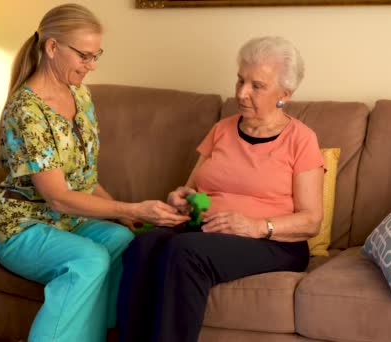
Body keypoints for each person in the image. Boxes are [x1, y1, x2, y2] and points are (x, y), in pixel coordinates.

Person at [0, 4, 189, 342]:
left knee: (123, 241)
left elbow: (83, 179)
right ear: (51, 47)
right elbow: (59, 197)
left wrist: (125, 217)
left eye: (96, 56)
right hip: (21, 227)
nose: (91, 66)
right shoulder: (27, 110)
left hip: (66, 223)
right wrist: (131, 208)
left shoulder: (80, 95)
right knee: (89, 259)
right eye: (84, 56)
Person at [116, 36, 325, 342]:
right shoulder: (222, 129)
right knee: (143, 244)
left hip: (274, 242)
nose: (241, 93)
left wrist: (255, 226)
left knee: (184, 251)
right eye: (240, 80)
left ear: (284, 94)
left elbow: (311, 220)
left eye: (257, 86)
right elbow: (190, 189)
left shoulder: (302, 139)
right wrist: (180, 199)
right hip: (206, 229)